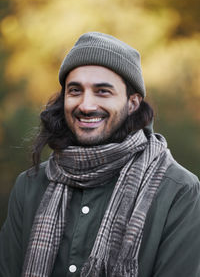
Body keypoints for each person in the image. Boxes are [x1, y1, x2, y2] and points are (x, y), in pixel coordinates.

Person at [0, 32, 200, 277]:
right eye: (75, 90)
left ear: (133, 102)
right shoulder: (30, 185)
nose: (86, 105)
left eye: (102, 91)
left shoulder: (179, 191)